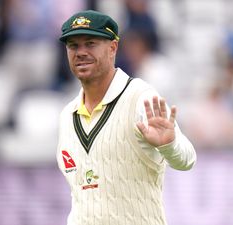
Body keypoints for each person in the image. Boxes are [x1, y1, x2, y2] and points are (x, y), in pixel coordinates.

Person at [56, 10, 196, 225]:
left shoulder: (140, 98)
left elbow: (187, 159)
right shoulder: (68, 115)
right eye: (73, 45)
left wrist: (169, 144)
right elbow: (81, 197)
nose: (80, 52)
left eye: (90, 43)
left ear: (113, 48)